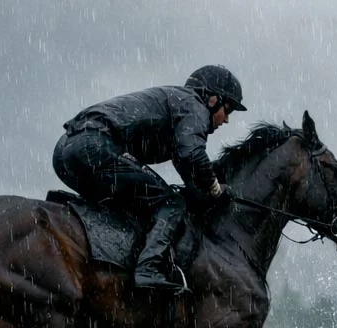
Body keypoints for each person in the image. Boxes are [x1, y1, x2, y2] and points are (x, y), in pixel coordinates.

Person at [52, 65, 245, 294]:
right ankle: (148, 269)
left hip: (66, 149)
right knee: (171, 203)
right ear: (212, 100)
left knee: (131, 202)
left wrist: (203, 194)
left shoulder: (179, 108)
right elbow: (192, 155)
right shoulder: (194, 105)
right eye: (228, 110)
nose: (226, 121)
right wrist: (215, 189)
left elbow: (187, 169)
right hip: (95, 145)